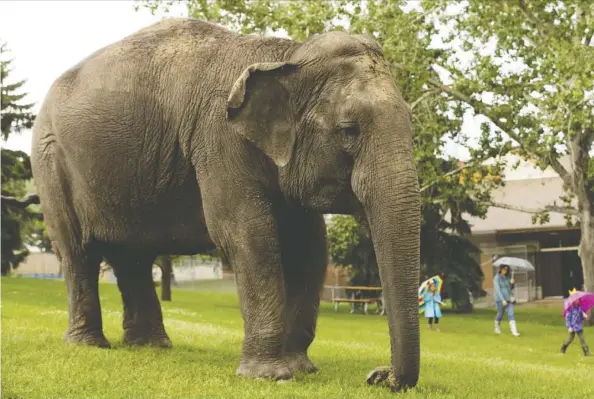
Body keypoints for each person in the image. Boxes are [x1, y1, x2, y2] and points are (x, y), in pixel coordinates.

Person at [493, 264, 520, 336]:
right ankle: (496, 327)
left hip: (509, 299)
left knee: (511, 314)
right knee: (500, 314)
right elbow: (498, 290)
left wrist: (512, 283)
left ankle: (514, 331)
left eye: (507, 269)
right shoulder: (497, 278)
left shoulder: (508, 277)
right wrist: (502, 300)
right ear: (500, 269)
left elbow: (510, 289)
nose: (505, 271)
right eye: (504, 269)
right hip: (500, 300)